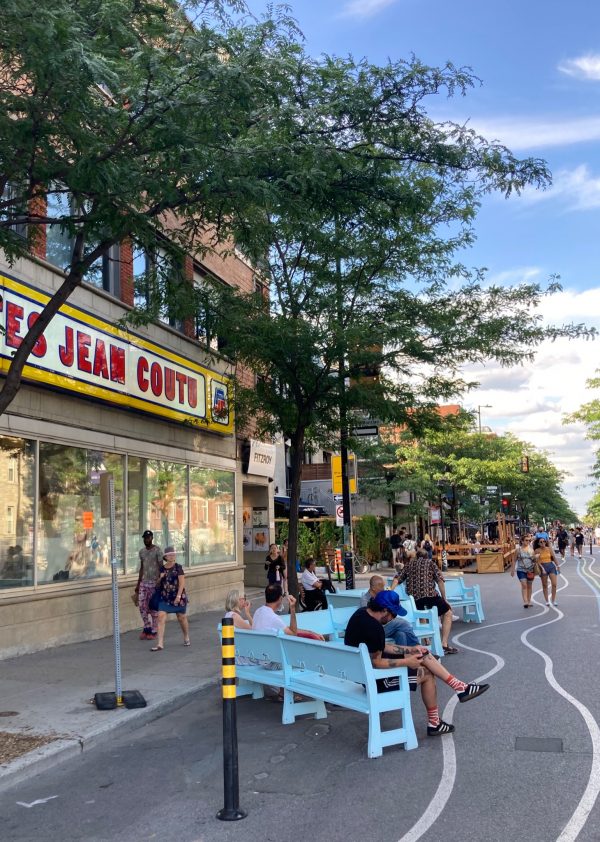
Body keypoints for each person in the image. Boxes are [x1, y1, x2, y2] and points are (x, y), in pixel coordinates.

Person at [344, 590, 490, 736]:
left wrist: (410, 649)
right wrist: (407, 661)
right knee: (427, 674)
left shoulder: (361, 614)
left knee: (421, 653)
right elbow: (377, 663)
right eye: (393, 614)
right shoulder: (375, 629)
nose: (393, 618)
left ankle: (460, 687)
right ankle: (435, 722)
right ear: (384, 610)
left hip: (360, 671)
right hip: (374, 680)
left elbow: (380, 647)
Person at [397, 549, 457, 654]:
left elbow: (398, 578)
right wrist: (444, 599)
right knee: (447, 613)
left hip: (414, 600)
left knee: (421, 614)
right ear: (427, 557)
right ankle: (444, 643)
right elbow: (440, 581)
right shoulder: (430, 563)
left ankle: (427, 642)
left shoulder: (409, 564)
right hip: (430, 596)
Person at [360, 574, 420, 647]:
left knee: (401, 634)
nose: (383, 589)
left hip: (384, 627)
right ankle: (418, 648)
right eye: (381, 586)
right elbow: (370, 619)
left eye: (383, 586)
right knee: (402, 623)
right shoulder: (365, 600)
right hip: (373, 630)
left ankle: (402, 656)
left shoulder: (380, 596)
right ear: (373, 588)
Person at [151, 546, 190, 650]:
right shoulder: (162, 569)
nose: (172, 556)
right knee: (160, 616)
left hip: (178, 596)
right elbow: (157, 584)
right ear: (165, 557)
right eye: (170, 555)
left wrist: (178, 596)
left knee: (181, 618)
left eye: (173, 554)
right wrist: (161, 578)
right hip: (165, 597)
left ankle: (186, 636)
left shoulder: (178, 567)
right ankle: (160, 643)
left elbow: (182, 583)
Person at [134, 529, 162, 640]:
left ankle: (154, 629)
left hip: (154, 583)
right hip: (144, 583)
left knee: (153, 607)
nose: (147, 540)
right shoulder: (142, 552)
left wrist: (161, 581)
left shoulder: (158, 550)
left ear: (152, 538)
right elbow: (142, 568)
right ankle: (146, 627)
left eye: (149, 538)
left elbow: (161, 566)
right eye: (145, 538)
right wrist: (138, 583)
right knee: (142, 606)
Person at [510, 535, 536, 608]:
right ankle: (525, 601)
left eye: (529, 540)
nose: (528, 542)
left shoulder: (531, 550)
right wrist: (512, 570)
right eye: (526, 540)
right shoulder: (518, 550)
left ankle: (529, 600)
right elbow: (514, 560)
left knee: (529, 586)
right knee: (524, 585)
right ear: (522, 541)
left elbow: (534, 560)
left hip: (530, 570)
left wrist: (536, 558)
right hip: (521, 570)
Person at [534, 538, 560, 607]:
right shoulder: (537, 550)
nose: (543, 542)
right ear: (538, 543)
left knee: (554, 584)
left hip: (551, 566)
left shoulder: (549, 549)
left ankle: (553, 600)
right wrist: (542, 569)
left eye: (544, 541)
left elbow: (554, 557)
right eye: (541, 542)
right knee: (545, 585)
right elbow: (537, 561)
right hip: (543, 567)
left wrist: (558, 566)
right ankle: (547, 601)